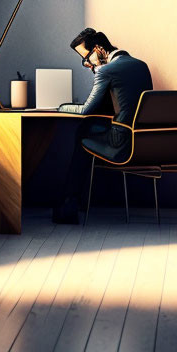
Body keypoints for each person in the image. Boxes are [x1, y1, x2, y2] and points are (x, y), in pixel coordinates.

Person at [53, 28, 153, 223]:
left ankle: (69, 204)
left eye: (87, 58)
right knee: (92, 125)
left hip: (121, 144)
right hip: (143, 141)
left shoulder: (106, 71)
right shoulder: (142, 66)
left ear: (98, 49)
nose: (87, 65)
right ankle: (74, 202)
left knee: (83, 131)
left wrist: (61, 106)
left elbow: (85, 110)